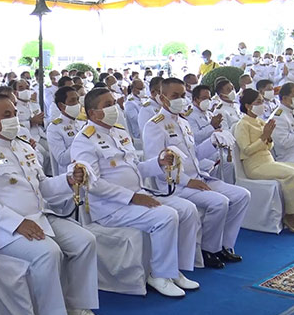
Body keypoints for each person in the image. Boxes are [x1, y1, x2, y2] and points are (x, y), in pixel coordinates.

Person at [0, 93, 105, 315]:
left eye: (14, 113)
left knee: (85, 240)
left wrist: (68, 180)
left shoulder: (23, 146)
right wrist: (17, 223)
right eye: (6, 115)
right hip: (2, 230)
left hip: (40, 217)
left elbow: (43, 187)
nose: (14, 119)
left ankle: (78, 306)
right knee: (48, 252)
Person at [72, 88, 201, 297]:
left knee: (188, 209)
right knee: (166, 216)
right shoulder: (84, 140)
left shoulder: (119, 132)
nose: (114, 107)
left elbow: (135, 169)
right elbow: (92, 184)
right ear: (93, 113)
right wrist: (132, 197)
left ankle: (176, 268)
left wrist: (158, 163)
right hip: (111, 207)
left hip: (138, 195)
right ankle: (159, 275)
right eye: (107, 105)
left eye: (113, 102)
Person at [143, 78, 249, 266]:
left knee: (242, 195)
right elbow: (159, 166)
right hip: (176, 186)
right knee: (220, 202)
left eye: (183, 95)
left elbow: (195, 155)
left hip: (199, 178)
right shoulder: (155, 125)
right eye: (175, 95)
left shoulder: (183, 122)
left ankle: (225, 245)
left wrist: (213, 141)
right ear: (162, 97)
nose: (180, 99)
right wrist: (187, 181)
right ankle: (209, 249)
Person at [234, 89, 294, 233]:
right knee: (292, 176)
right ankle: (291, 215)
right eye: (258, 102)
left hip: (268, 161)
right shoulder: (242, 125)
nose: (262, 105)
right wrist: (264, 137)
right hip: (255, 166)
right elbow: (246, 150)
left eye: (262, 101)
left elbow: (269, 146)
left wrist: (268, 138)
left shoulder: (260, 121)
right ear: (248, 106)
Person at [184, 84, 234, 183]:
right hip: (202, 153)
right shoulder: (190, 116)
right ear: (195, 99)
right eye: (204, 98)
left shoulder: (209, 114)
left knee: (230, 163)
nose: (207, 101)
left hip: (217, 150)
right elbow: (195, 136)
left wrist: (218, 128)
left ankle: (227, 185)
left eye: (209, 98)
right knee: (225, 165)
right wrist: (212, 127)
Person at [46, 86, 85, 213]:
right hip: (71, 179)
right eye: (72, 101)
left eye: (77, 100)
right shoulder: (55, 128)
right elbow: (62, 159)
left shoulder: (81, 123)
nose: (77, 104)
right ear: (62, 106)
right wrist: (80, 141)